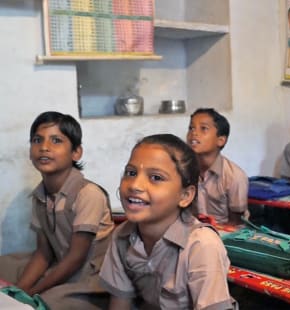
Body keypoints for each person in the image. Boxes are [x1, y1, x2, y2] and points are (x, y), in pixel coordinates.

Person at [99, 134, 234, 309]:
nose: (135, 185)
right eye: (131, 173)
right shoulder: (121, 237)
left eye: (156, 177)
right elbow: (120, 305)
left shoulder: (201, 245)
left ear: (185, 196)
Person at [0, 111, 114, 310]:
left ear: (76, 152)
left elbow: (75, 258)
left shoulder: (88, 193)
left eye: (56, 140)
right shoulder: (40, 196)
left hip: (92, 277)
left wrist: (33, 292)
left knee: (50, 301)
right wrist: (21, 289)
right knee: (5, 265)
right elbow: (44, 253)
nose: (44, 147)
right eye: (37, 140)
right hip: (61, 266)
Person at [186, 108, 248, 225]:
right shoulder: (183, 171)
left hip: (225, 236)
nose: (194, 133)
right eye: (191, 128)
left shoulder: (234, 176)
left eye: (203, 128)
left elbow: (236, 223)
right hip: (193, 232)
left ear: (220, 140)